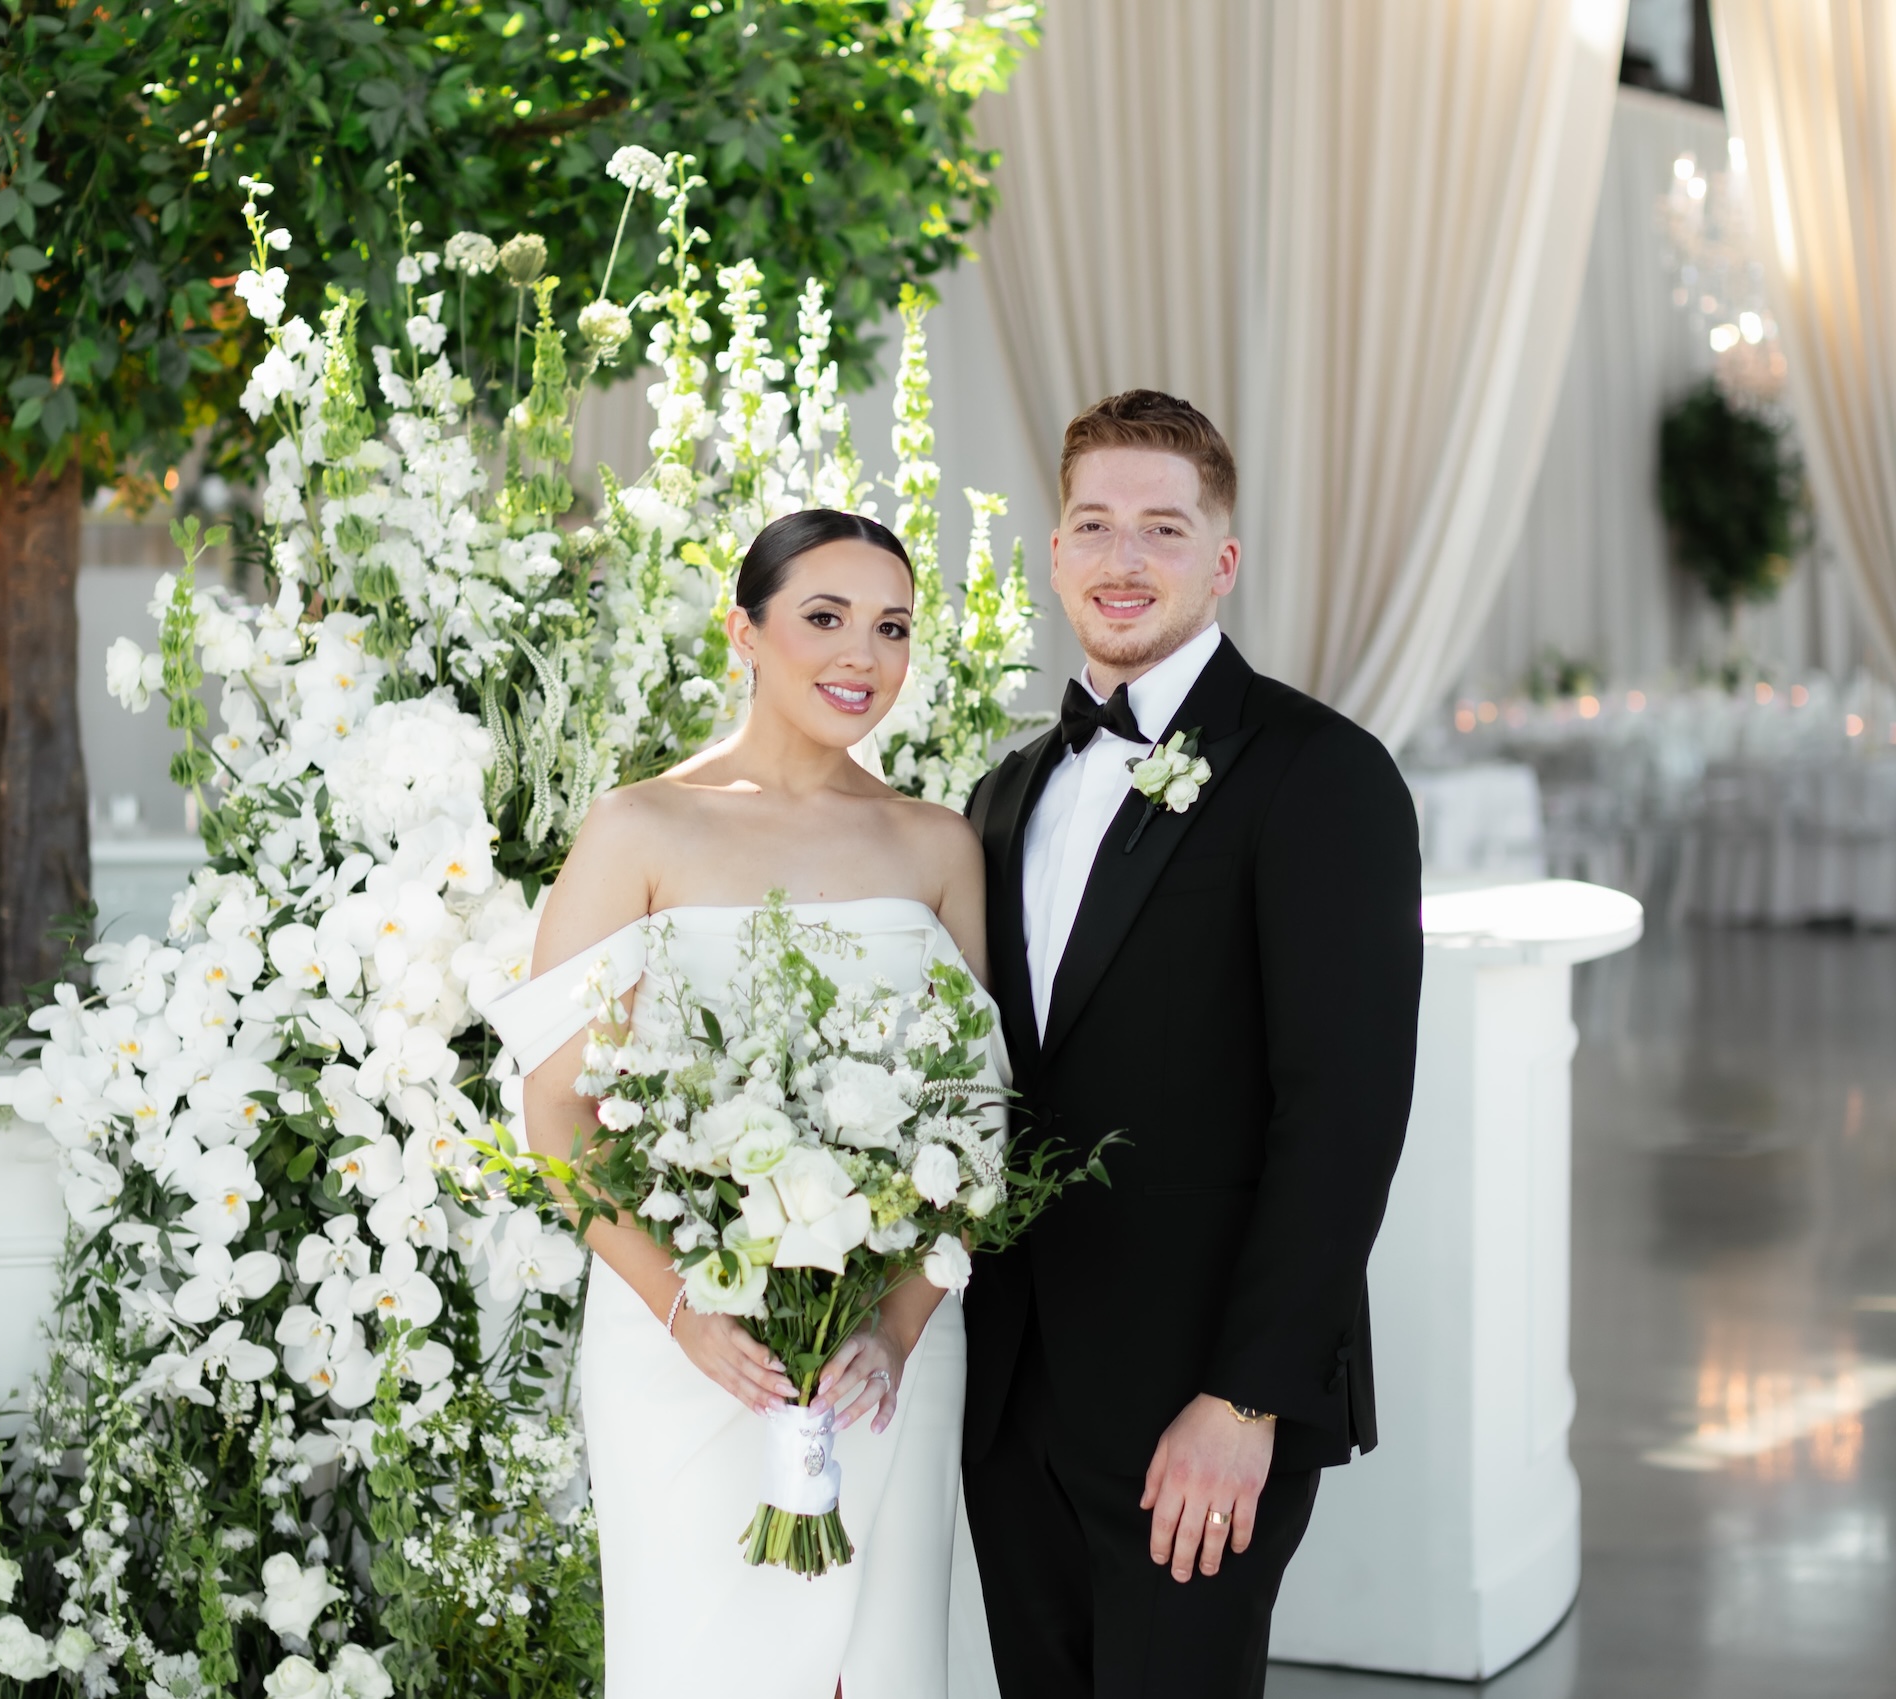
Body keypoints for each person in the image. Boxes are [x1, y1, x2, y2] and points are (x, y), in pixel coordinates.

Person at [486, 508, 1003, 1699]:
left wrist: (895, 1327)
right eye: (823, 618)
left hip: (885, 1353)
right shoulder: (640, 826)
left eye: (890, 627)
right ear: (743, 632)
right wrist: (685, 1313)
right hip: (682, 1343)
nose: (860, 657)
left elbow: (975, 1130)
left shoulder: (936, 845)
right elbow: (556, 1112)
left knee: (874, 1667)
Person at [961, 390, 1424, 1699]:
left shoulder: (1320, 773)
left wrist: (1248, 1396)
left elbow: (1343, 1113)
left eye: (1162, 528)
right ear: (1053, 551)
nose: (1123, 561)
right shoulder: (1004, 794)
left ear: (1221, 561)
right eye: (1095, 525)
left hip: (1200, 1402)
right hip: (1011, 1401)